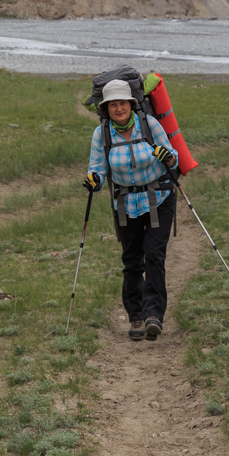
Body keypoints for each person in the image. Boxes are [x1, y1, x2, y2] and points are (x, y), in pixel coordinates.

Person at [84, 79, 178, 341]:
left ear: (131, 104)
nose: (118, 108)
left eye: (122, 103)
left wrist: (166, 156)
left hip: (159, 197)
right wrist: (94, 182)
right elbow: (97, 170)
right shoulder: (100, 134)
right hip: (125, 204)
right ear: (105, 109)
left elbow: (173, 157)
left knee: (154, 256)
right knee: (132, 261)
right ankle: (136, 316)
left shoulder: (150, 124)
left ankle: (153, 316)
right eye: (112, 104)